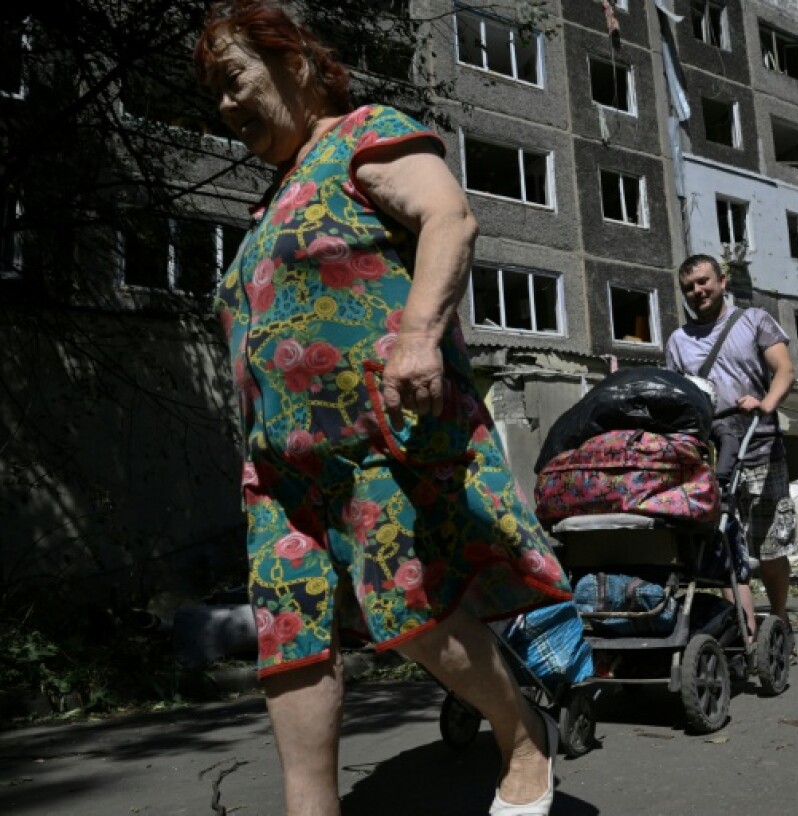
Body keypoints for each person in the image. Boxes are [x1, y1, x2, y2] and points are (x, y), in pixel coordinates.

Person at [193, 3, 567, 814]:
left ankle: (523, 734)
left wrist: (419, 339)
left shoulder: (363, 135)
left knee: (412, 613)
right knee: (288, 644)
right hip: (278, 470)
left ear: (292, 62)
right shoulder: (271, 203)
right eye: (213, 93)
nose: (222, 105)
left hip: (376, 438)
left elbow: (449, 217)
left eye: (234, 80)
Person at [664, 255, 796, 646]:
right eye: (689, 287)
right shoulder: (678, 341)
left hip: (760, 446)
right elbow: (676, 397)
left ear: (722, 281)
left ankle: (780, 621)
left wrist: (766, 404)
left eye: (704, 282)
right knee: (726, 548)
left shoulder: (753, 320)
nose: (697, 291)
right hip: (712, 456)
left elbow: (785, 369)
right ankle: (747, 635)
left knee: (769, 547)